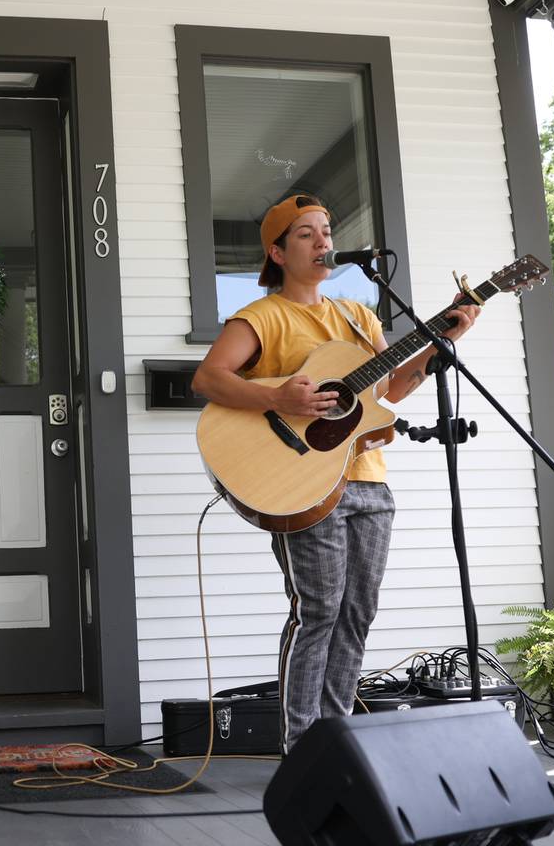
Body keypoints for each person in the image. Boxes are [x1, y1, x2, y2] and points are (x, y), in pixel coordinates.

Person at [190, 194, 478, 753]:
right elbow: (209, 379)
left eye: (326, 230)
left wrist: (445, 340)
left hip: (366, 475)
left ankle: (337, 737)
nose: (323, 241)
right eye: (306, 234)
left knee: (357, 612)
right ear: (277, 251)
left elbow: (388, 391)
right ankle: (301, 748)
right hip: (302, 480)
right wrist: (278, 395)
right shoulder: (261, 317)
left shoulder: (357, 315)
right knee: (317, 609)